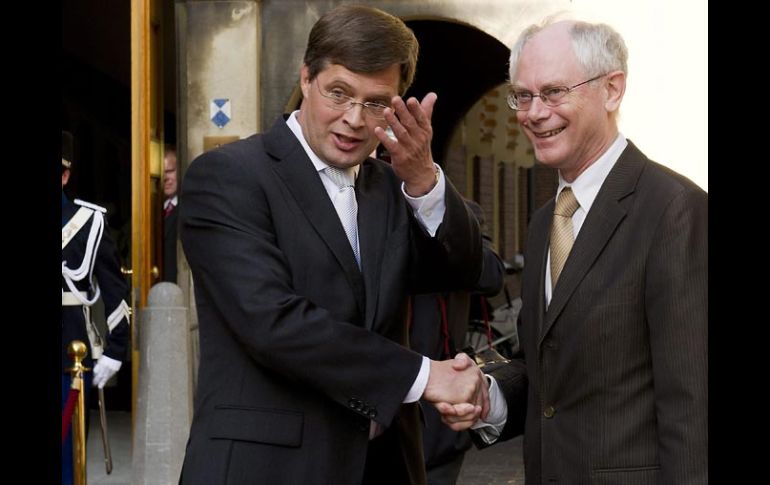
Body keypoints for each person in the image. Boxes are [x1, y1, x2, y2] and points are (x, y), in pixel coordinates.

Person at [177, 5, 488, 485]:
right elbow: (272, 322)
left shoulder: (394, 188)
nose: (354, 119)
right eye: (339, 93)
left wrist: (425, 180)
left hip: (384, 467)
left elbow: (466, 270)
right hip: (268, 469)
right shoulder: (227, 176)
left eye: (376, 103)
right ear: (306, 79)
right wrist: (426, 376)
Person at [438, 19, 708, 484]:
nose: (534, 113)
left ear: (612, 90)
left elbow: (692, 405)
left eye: (554, 92)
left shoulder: (675, 210)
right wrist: (488, 394)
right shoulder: (545, 221)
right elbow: (549, 372)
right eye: (523, 95)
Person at [409, 199, 505, 485]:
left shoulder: (459, 212)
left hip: (440, 421)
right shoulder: (364, 209)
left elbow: (492, 277)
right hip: (379, 408)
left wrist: (437, 224)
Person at [61, 130, 130, 485]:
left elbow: (115, 291)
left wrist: (115, 351)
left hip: (68, 355)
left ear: (65, 175)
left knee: (65, 461)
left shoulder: (88, 224)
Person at [161, 147, 178, 282]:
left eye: (170, 171)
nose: (166, 178)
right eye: (162, 173)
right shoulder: (150, 209)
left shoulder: (188, 207)